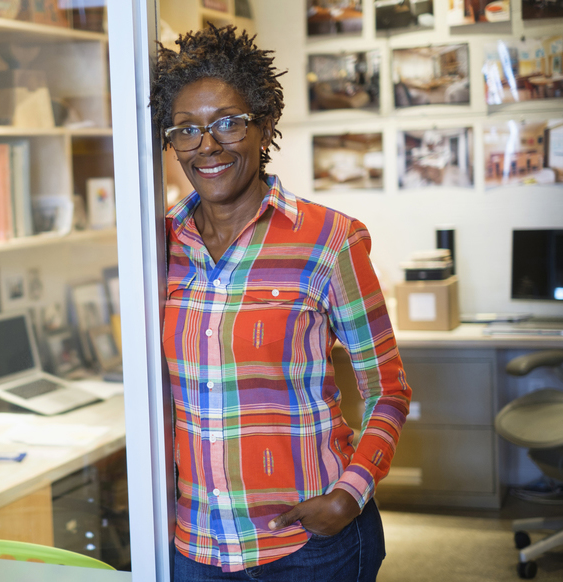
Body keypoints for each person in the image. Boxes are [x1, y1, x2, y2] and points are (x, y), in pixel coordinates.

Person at [150, 25, 412, 581]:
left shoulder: (330, 240)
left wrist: (350, 493)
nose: (208, 145)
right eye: (187, 130)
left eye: (227, 122)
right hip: (195, 547)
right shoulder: (158, 246)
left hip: (310, 546)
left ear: (264, 125)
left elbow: (387, 388)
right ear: (170, 143)